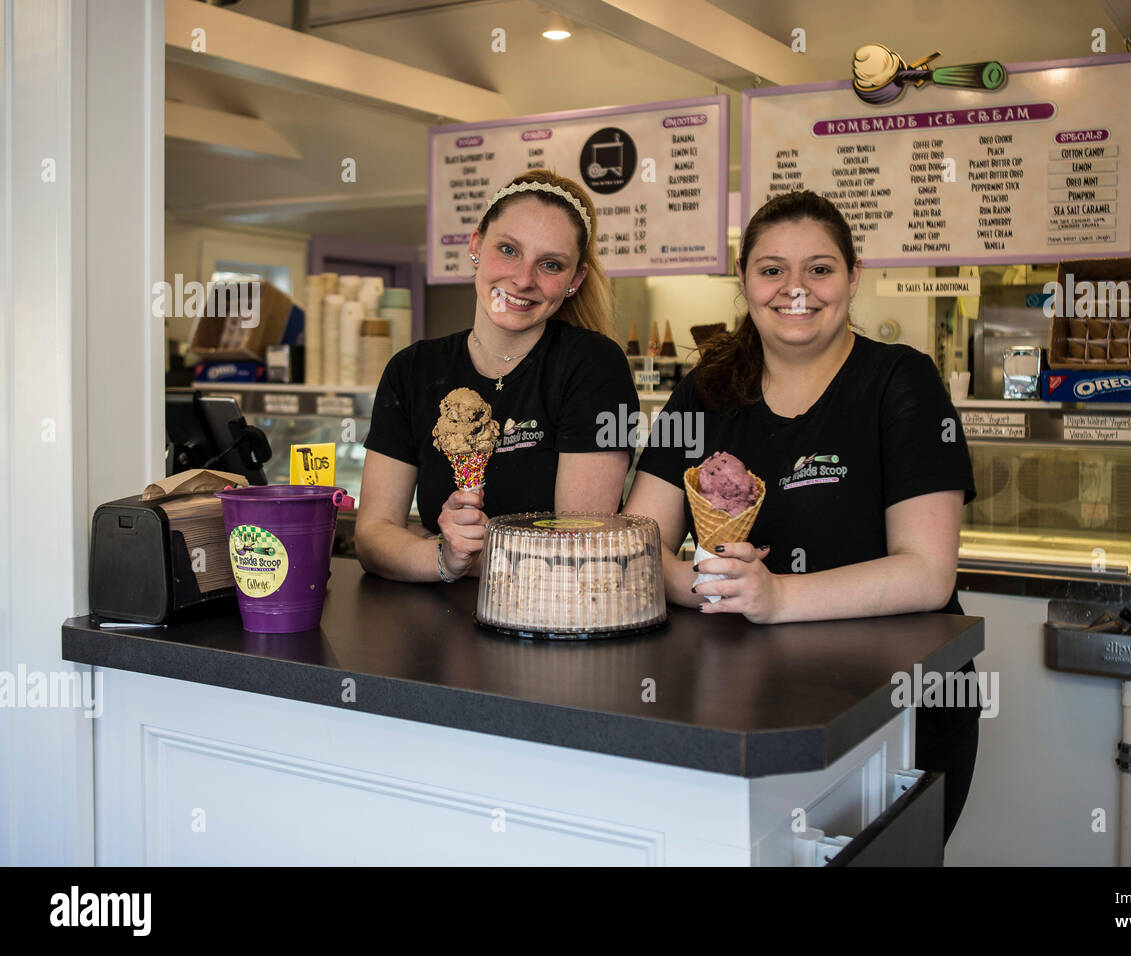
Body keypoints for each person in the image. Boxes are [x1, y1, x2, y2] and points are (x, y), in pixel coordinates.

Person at [626, 190, 979, 843]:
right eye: (772, 270)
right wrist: (716, 586)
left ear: (853, 276)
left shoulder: (901, 381)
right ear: (743, 280)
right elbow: (638, 543)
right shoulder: (705, 391)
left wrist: (776, 596)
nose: (796, 289)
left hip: (894, 707)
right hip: (739, 706)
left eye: (819, 268)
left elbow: (928, 573)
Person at [358, 169, 638, 584]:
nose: (523, 280)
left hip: (551, 616)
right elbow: (372, 537)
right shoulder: (412, 369)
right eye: (508, 250)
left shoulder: (594, 366)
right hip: (439, 619)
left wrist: (448, 553)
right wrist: (444, 557)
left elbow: (579, 547)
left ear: (575, 280)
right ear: (475, 245)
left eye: (550, 264)